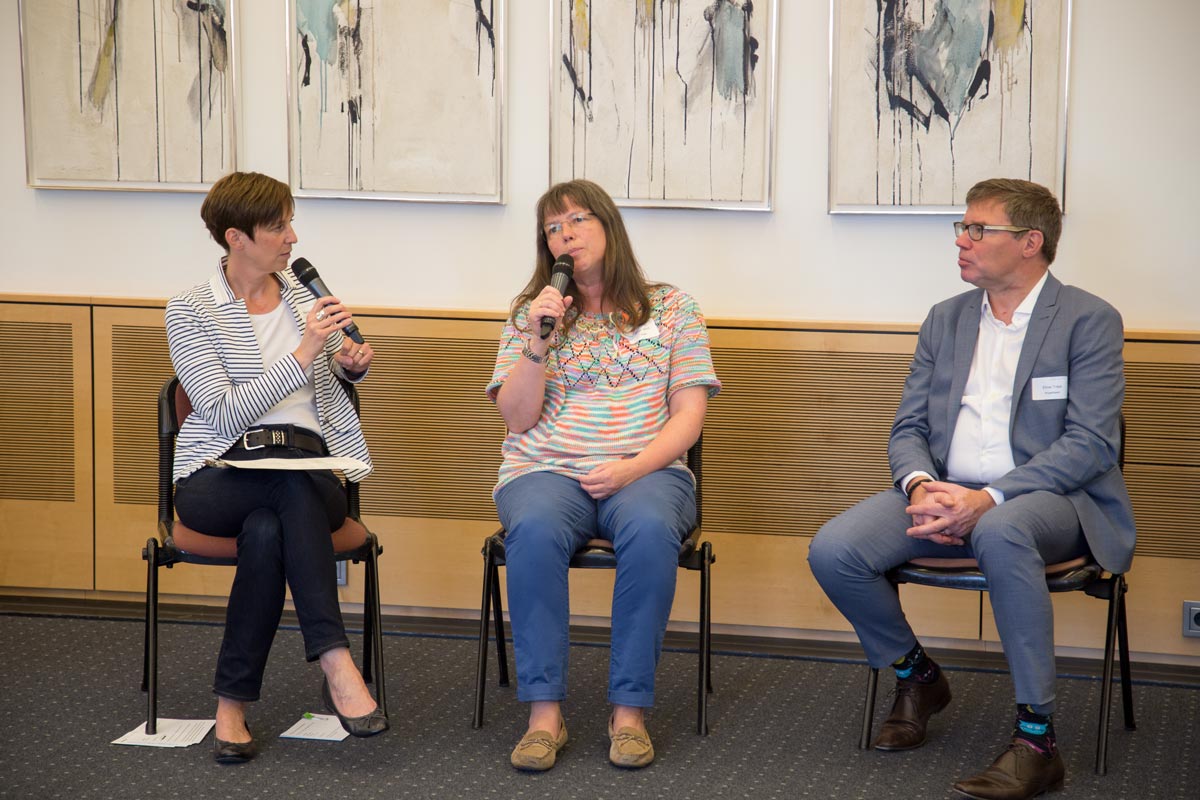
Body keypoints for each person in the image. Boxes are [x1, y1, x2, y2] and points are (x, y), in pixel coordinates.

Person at [807, 178, 1133, 800]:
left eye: (979, 229)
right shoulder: (946, 318)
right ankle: (918, 675)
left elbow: (1091, 445)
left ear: (1031, 242)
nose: (963, 240)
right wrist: (923, 483)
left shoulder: (1088, 320)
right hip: (947, 495)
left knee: (1005, 528)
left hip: (1052, 503)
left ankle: (1037, 743)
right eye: (962, 227)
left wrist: (989, 499)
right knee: (835, 549)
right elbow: (907, 427)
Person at [487, 179, 721, 771]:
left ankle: (629, 713)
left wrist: (632, 469)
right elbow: (516, 417)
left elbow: (689, 417)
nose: (565, 235)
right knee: (534, 530)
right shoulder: (529, 314)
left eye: (577, 220)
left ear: (609, 226)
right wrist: (538, 341)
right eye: (552, 227)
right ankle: (544, 715)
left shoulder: (673, 308)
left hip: (647, 470)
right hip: (545, 470)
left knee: (648, 530)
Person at [165, 171, 388, 764]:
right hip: (217, 475)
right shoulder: (190, 310)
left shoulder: (302, 296)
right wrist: (306, 350)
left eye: (291, 222)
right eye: (278, 226)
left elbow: (326, 386)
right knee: (279, 493)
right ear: (236, 238)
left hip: (312, 468)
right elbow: (221, 411)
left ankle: (232, 707)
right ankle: (337, 662)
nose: (292, 237)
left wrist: (349, 365)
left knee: (274, 518)